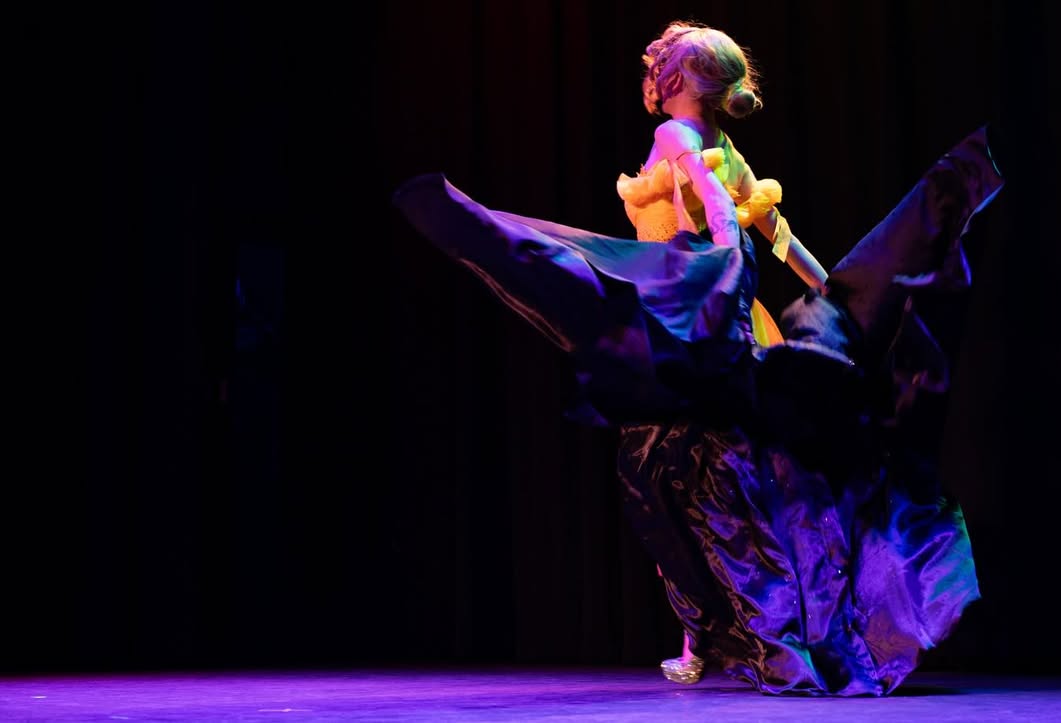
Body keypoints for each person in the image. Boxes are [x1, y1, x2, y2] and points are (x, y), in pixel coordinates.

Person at [392, 19, 1003, 696]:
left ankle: (724, 639)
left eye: (662, 68)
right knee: (734, 484)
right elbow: (777, 233)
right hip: (725, 315)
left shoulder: (674, 135)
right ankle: (750, 633)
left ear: (678, 79)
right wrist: (833, 291)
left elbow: (726, 211)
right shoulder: (725, 147)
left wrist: (732, 265)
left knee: (680, 485)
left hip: (690, 322)